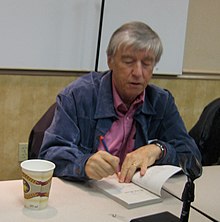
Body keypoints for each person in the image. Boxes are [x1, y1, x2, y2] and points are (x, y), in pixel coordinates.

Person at [39, 21, 201, 183]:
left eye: (146, 63)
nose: (138, 73)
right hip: (89, 192)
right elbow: (50, 154)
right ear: (110, 61)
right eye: (128, 61)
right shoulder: (78, 95)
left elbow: (192, 157)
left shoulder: (161, 102)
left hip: (136, 194)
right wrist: (85, 164)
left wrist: (158, 150)